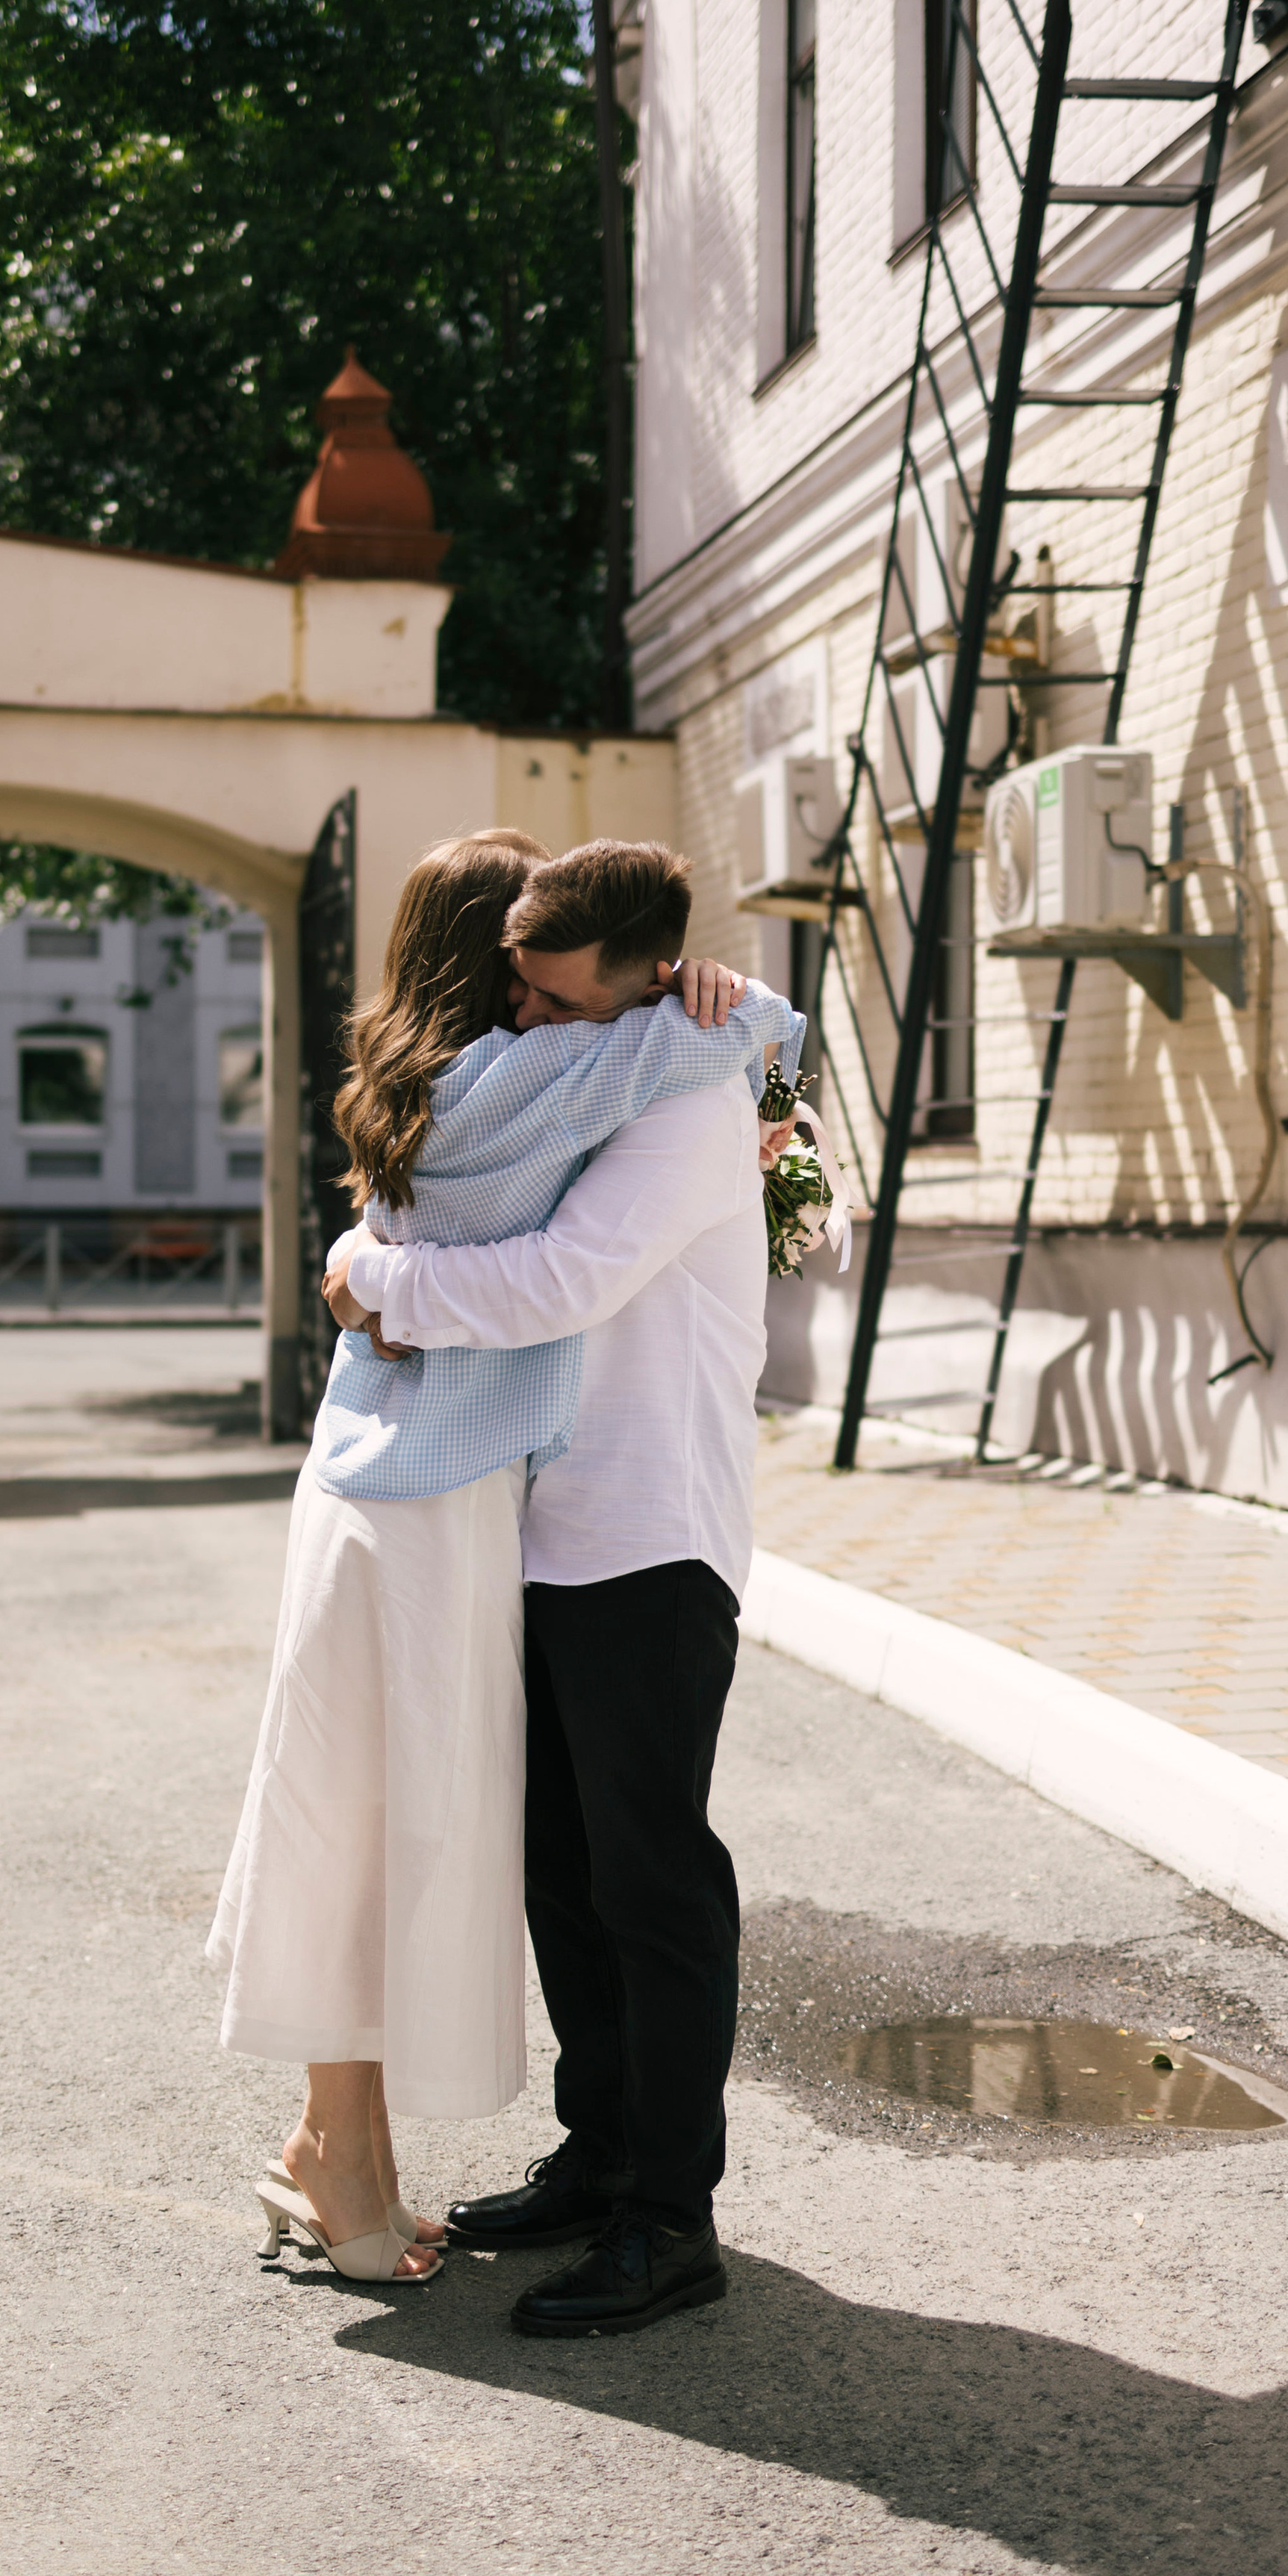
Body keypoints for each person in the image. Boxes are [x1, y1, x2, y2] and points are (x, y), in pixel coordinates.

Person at [206, 828, 798, 2289]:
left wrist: (367, 1274)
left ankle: (666, 2216)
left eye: (544, 991)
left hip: (646, 1536)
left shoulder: (683, 1084)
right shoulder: (586, 1079)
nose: (524, 1017)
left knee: (650, 1881)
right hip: (531, 1526)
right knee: (566, 1876)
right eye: (510, 991)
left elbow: (561, 1282)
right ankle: (597, 2159)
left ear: (625, 979)